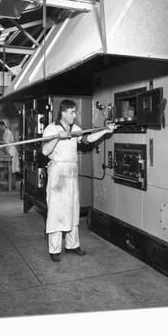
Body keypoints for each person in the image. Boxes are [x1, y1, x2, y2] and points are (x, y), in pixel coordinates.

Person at [42, 99, 116, 262]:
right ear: (63, 112)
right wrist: (57, 138)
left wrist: (106, 131)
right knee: (56, 211)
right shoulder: (51, 129)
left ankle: (72, 245)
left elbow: (87, 140)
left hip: (71, 172)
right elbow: (45, 150)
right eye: (72, 112)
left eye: (75, 112)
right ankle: (54, 249)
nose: (74, 115)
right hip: (58, 173)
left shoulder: (75, 129)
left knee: (72, 208)